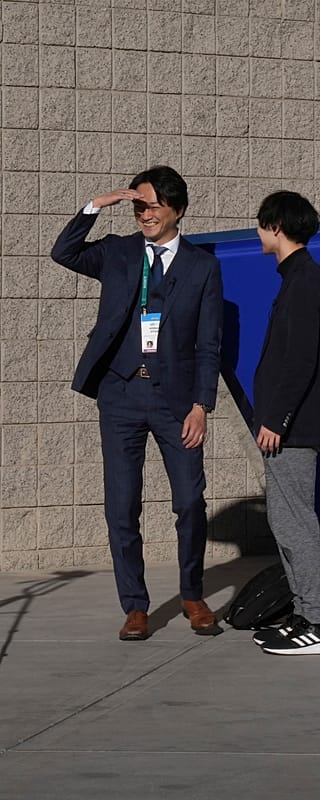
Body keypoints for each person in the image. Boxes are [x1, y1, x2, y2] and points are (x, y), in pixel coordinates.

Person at [51, 166, 224, 641]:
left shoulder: (202, 266)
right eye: (137, 205)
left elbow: (210, 343)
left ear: (178, 210)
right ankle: (135, 605)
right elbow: (63, 252)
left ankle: (192, 593)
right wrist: (95, 206)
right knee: (122, 506)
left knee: (190, 501)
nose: (143, 213)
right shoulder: (117, 252)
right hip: (121, 394)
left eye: (152, 205)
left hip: (177, 401)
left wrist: (201, 406)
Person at [246, 191, 320, 656]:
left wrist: (276, 419)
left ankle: (317, 624)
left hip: (293, 428)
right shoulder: (297, 278)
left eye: (262, 224)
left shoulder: (304, 280)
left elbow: (299, 361)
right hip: (289, 426)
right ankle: (303, 613)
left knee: (296, 523)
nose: (259, 232)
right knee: (285, 520)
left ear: (277, 227)